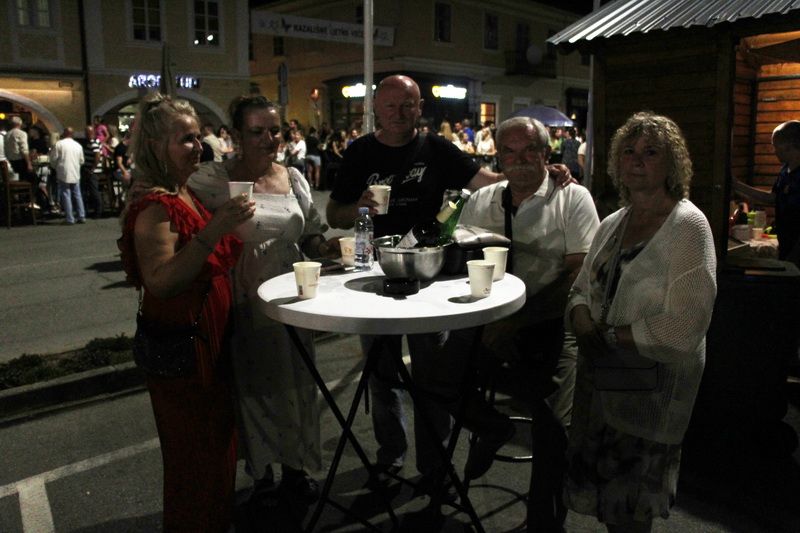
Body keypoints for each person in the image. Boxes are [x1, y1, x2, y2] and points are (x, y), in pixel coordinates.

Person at [326, 74, 574, 496]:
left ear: (419, 108)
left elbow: (487, 181)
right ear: (376, 109)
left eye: (407, 105)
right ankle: (390, 458)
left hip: (431, 277)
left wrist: (538, 170)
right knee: (382, 377)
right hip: (379, 275)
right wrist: (359, 208)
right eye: (390, 106)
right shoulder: (360, 152)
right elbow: (334, 214)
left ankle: (434, 467)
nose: (399, 113)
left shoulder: (436, 148)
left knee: (431, 380)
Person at [424, 116, 599, 529]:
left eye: (530, 150)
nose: (519, 160)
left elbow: (579, 275)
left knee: (554, 428)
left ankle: (543, 524)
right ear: (498, 156)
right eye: (510, 151)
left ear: (546, 154)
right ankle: (494, 428)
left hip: (551, 322)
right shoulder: (481, 200)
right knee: (436, 379)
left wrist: (515, 320)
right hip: (489, 319)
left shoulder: (572, 197)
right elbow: (437, 236)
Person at [565, 112, 717, 533]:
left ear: (672, 164)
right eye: (628, 151)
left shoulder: (688, 226)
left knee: (630, 511)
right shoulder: (614, 222)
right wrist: (581, 320)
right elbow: (581, 288)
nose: (636, 160)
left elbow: (686, 324)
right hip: (600, 383)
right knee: (607, 504)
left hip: (649, 393)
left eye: (651, 152)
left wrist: (611, 335)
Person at [189, 95, 341, 509]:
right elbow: (174, 200)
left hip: (292, 298)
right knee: (252, 390)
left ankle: (295, 470)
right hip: (243, 298)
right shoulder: (213, 179)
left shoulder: (293, 177)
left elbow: (309, 233)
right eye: (256, 131)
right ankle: (262, 474)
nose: (268, 139)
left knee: (295, 386)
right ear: (236, 135)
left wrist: (325, 248)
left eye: (274, 130)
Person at [118, 94, 254, 532]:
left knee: (214, 446)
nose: (199, 147)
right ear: (155, 145)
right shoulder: (155, 206)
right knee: (195, 456)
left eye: (199, 137)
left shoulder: (182, 191)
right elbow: (160, 280)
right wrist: (216, 228)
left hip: (206, 340)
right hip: (185, 347)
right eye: (186, 140)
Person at [731, 120, 800, 264]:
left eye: (775, 146)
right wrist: (737, 185)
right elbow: (772, 197)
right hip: (786, 243)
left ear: (787, 145)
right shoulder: (785, 171)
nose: (774, 151)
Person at [51, 127, 86, 225]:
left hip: (63, 171)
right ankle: (81, 215)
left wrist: (55, 167)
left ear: (64, 133)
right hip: (75, 172)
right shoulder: (78, 145)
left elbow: (53, 159)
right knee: (77, 194)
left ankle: (70, 217)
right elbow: (81, 160)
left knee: (66, 194)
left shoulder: (59, 144)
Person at [80, 125, 105, 219]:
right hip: (93, 169)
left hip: (93, 171)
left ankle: (98, 211)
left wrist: (92, 168)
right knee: (92, 190)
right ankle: (96, 209)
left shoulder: (93, 142)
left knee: (94, 190)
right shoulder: (96, 141)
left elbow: (97, 156)